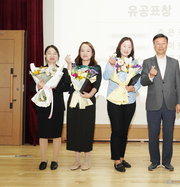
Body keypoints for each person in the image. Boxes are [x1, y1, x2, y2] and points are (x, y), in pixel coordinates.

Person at [141, 33, 180, 171]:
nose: (160, 45)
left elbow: (178, 84)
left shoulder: (174, 62)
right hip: (153, 104)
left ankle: (166, 161)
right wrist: (150, 76)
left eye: (163, 43)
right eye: (157, 43)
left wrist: (179, 102)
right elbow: (143, 81)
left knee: (168, 134)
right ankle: (154, 161)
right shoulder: (147, 62)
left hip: (170, 103)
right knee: (153, 134)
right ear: (154, 45)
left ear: (167, 45)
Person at [103, 37, 141, 172]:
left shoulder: (135, 63)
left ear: (132, 49)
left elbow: (139, 80)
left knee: (124, 131)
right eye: (124, 46)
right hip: (114, 100)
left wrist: (134, 88)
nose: (126, 49)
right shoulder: (113, 60)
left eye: (129, 46)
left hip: (129, 100)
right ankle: (116, 160)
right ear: (119, 47)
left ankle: (121, 157)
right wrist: (110, 65)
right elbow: (106, 76)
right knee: (117, 131)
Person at [30, 45, 71, 170]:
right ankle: (43, 160)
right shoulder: (39, 70)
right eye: (49, 53)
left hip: (57, 106)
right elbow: (32, 87)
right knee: (43, 134)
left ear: (58, 56)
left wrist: (55, 87)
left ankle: (54, 160)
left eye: (54, 53)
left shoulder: (62, 70)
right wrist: (40, 86)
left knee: (56, 134)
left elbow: (68, 85)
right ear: (45, 56)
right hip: (43, 106)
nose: (52, 55)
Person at [65, 42, 102, 171]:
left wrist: (90, 94)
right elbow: (67, 81)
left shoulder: (96, 68)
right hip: (74, 101)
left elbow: (97, 84)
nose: (85, 53)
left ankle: (87, 161)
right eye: (82, 50)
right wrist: (69, 65)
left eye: (88, 51)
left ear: (92, 53)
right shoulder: (74, 67)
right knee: (74, 129)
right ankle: (76, 161)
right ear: (79, 53)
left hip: (88, 102)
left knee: (86, 130)